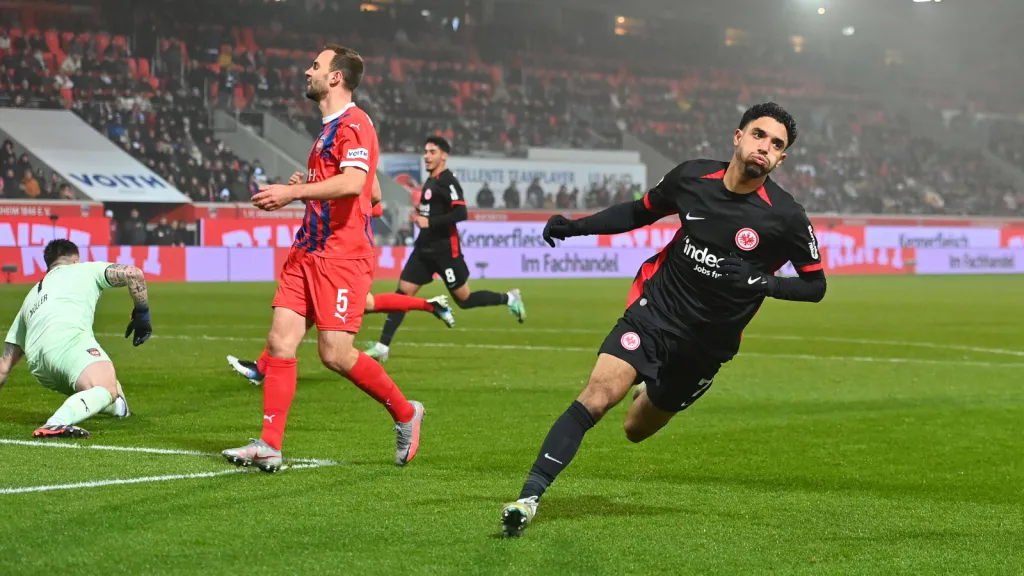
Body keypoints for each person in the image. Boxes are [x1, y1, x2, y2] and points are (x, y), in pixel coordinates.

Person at [499, 103, 827, 537]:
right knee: (598, 395)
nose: (764, 147)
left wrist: (760, 280)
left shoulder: (786, 216)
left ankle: (650, 386)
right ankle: (528, 498)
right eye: (759, 135)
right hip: (656, 312)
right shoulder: (692, 178)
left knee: (636, 429)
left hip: (706, 345)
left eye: (776, 144)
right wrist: (577, 227)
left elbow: (814, 286)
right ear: (738, 136)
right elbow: (639, 212)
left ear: (781, 159)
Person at [221, 44, 425, 472]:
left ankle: (406, 413)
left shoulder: (354, 124)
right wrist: (311, 182)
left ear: (335, 78)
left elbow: (355, 185)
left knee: (334, 354)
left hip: (341, 259)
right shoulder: (328, 129)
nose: (307, 70)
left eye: (315, 65)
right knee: (280, 343)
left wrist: (294, 191)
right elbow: (371, 192)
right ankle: (269, 444)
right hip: (306, 252)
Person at [364, 136, 526, 362]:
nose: (426, 156)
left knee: (464, 300)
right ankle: (383, 346)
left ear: (444, 155)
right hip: (424, 250)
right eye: (425, 151)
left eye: (432, 152)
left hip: (445, 251)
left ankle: (509, 298)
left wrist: (429, 222)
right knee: (402, 294)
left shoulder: (448, 181)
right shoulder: (430, 182)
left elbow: (461, 213)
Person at [0, 240, 151, 438]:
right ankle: (56, 423)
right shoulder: (84, 269)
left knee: (112, 390)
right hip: (67, 343)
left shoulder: (32, 296)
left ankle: (121, 409)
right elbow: (133, 273)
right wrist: (142, 315)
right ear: (75, 260)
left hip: (40, 366)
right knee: (104, 387)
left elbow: (4, 365)